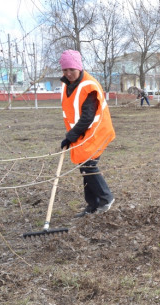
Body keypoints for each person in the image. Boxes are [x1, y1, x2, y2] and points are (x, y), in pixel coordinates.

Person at [59, 49, 116, 217]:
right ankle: (93, 205)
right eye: (65, 70)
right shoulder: (66, 84)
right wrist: (72, 135)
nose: (68, 73)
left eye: (72, 69)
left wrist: (70, 136)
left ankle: (106, 198)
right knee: (84, 167)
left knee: (88, 165)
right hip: (82, 133)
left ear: (79, 67)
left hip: (97, 131)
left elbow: (87, 117)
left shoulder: (89, 86)